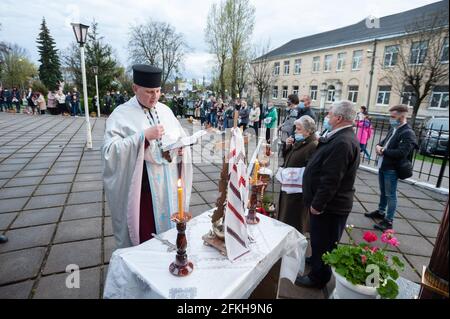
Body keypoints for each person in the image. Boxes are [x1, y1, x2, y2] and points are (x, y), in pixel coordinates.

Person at [102, 64, 193, 248]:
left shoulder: (166, 110)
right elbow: (109, 152)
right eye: (150, 91)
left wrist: (181, 148)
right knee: (145, 238)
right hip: (143, 191)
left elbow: (179, 136)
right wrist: (143, 137)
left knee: (170, 230)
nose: (155, 96)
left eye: (158, 91)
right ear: (135, 88)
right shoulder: (120, 115)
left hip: (168, 185)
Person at [296, 100, 360, 289]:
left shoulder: (343, 141)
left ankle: (318, 278)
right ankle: (316, 259)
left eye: (330, 114)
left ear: (339, 118)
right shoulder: (338, 136)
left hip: (330, 206)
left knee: (324, 242)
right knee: (319, 239)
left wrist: (318, 204)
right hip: (327, 204)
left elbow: (331, 179)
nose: (327, 117)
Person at [364, 104, 417, 231]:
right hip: (383, 165)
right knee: (383, 192)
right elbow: (383, 143)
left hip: (392, 169)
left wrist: (382, 150)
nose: (390, 118)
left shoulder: (407, 133)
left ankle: (388, 221)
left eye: (393, 116)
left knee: (390, 195)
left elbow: (401, 153)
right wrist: (378, 146)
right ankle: (381, 212)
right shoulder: (394, 129)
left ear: (402, 116)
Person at [278, 115, 318, 234]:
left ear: (309, 131)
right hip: (289, 187)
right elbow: (288, 158)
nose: (295, 131)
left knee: (294, 220)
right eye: (296, 128)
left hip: (298, 193)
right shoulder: (301, 141)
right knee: (285, 215)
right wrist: (288, 146)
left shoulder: (312, 145)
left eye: (299, 129)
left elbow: (310, 171)